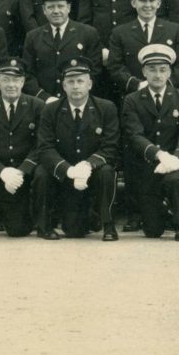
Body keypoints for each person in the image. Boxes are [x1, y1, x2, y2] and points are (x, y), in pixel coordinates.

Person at [35, 58, 121, 240]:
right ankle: (45, 226)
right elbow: (45, 148)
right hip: (65, 175)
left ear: (90, 84)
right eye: (71, 82)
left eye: (80, 81)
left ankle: (108, 225)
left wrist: (88, 165)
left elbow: (110, 147)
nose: (76, 86)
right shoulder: (50, 110)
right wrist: (69, 170)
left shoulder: (106, 108)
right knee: (42, 173)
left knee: (107, 171)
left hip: (93, 173)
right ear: (63, 86)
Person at [120, 43, 179, 240]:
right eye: (152, 69)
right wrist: (159, 155)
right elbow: (135, 135)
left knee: (173, 179)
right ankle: (164, 212)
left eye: (163, 70)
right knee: (153, 231)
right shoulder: (132, 100)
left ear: (169, 71)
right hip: (147, 165)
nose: (158, 75)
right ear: (144, 71)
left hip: (174, 163)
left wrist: (176, 159)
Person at [0, 62, 44, 237]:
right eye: (6, 80)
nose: (11, 85)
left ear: (22, 82)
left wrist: (22, 171)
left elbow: (41, 144)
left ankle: (42, 219)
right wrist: (2, 172)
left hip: (27, 173)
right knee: (16, 230)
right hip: (1, 174)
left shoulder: (37, 105)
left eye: (16, 80)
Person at [105, 0, 179, 95]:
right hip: (133, 96)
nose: (147, 5)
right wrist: (137, 85)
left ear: (159, 3)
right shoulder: (120, 33)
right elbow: (115, 66)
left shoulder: (175, 30)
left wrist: (164, 86)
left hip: (168, 96)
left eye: (151, 0)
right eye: (142, 0)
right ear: (133, 3)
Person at [20, 0, 101, 102]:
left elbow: (95, 71)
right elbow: (27, 74)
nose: (56, 11)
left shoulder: (88, 33)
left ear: (68, 7)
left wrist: (75, 97)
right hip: (44, 104)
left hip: (78, 102)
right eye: (51, 7)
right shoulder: (33, 36)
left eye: (60, 6)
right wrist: (44, 97)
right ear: (44, 10)